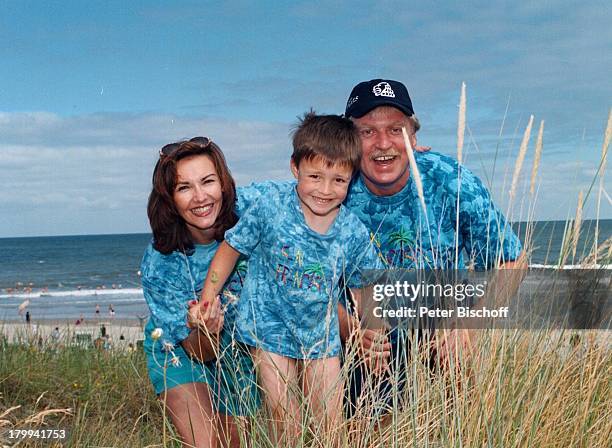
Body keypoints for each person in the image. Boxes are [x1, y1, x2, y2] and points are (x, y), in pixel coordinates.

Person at [339, 79, 524, 416]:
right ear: (349, 141)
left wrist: (470, 328)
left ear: (414, 135)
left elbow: (511, 261)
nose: (383, 144)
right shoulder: (332, 187)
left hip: (442, 332)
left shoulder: (450, 180)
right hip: (367, 341)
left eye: (396, 129)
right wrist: (349, 330)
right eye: (367, 132)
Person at [195, 113, 382, 444]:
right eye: (315, 177)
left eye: (338, 180)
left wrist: (371, 331)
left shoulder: (352, 230)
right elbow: (230, 249)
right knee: (287, 422)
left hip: (320, 335)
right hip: (268, 328)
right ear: (295, 168)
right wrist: (209, 298)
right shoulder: (271, 208)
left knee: (331, 426)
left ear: (351, 179)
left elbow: (365, 283)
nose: (325, 190)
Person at [141, 137, 258, 448]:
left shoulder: (251, 209)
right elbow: (199, 352)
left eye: (207, 181)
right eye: (184, 188)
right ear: (169, 198)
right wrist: (205, 329)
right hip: (183, 349)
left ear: (223, 183)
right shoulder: (160, 262)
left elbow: (313, 184)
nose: (200, 197)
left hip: (242, 351)